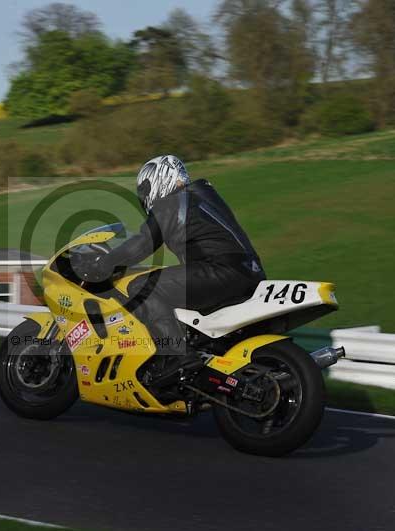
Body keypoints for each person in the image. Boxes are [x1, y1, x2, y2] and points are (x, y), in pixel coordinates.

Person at [87, 155, 266, 383]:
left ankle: (175, 357)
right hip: (248, 271)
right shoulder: (203, 196)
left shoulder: (174, 202)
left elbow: (142, 244)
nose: (144, 196)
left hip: (220, 270)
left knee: (142, 285)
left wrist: (103, 264)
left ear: (160, 179)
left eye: (145, 189)